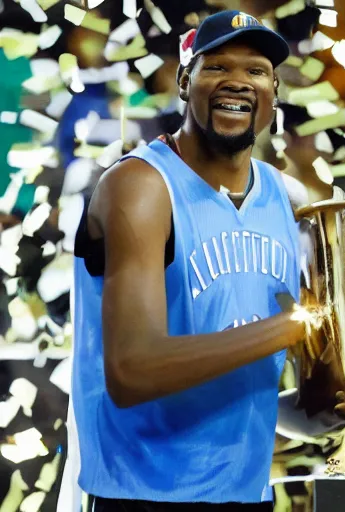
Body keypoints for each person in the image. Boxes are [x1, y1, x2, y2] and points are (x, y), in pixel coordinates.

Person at [65, 10, 310, 512]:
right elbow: (132, 372)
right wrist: (287, 330)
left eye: (256, 70)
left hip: (248, 496)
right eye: (217, 67)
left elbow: (281, 407)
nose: (238, 81)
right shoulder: (140, 187)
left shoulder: (288, 198)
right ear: (184, 80)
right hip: (140, 497)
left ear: (275, 91)